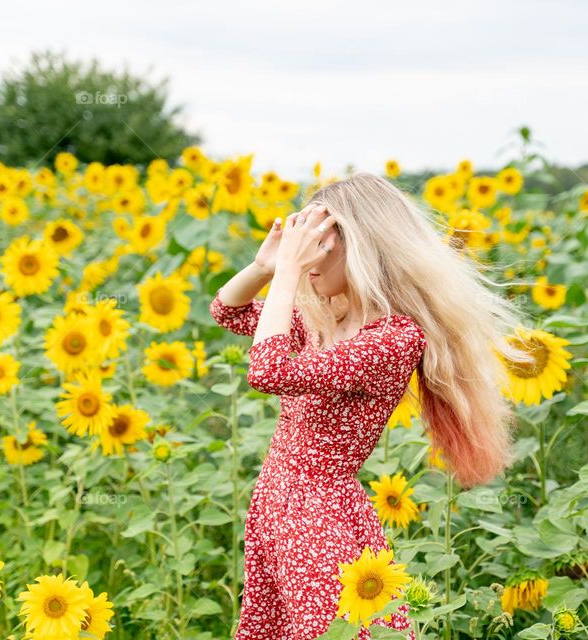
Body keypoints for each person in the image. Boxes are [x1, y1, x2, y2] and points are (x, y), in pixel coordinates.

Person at [209, 173, 531, 639]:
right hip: (276, 510)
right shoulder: (323, 316)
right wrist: (265, 267)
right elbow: (227, 311)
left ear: (358, 246)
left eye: (318, 247)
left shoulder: (393, 339)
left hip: (319, 518)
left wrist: (287, 276)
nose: (308, 263)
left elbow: (267, 371)